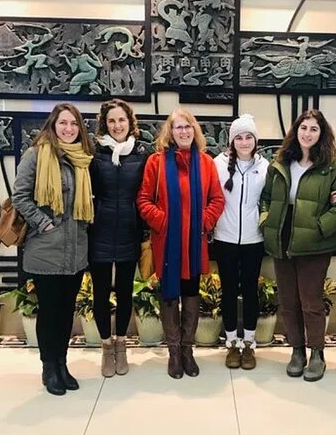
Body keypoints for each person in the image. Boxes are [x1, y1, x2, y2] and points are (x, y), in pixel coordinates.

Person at [260, 109, 336, 382]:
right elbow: (265, 197)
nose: (308, 133)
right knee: (288, 301)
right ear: (296, 131)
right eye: (304, 128)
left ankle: (317, 353)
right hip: (282, 240)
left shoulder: (333, 166)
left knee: (311, 301)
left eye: (314, 129)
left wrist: (321, 227)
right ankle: (297, 351)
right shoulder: (281, 162)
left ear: (321, 134)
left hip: (315, 244)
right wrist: (266, 220)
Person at [12, 103, 94, 396]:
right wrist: (42, 222)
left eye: (74, 124)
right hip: (46, 248)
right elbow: (20, 196)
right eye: (63, 123)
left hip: (75, 249)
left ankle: (62, 364)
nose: (69, 129)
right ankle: (49, 367)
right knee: (49, 311)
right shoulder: (36, 155)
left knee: (66, 311)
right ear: (53, 125)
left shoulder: (82, 158)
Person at [136, 108, 224, 379]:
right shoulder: (156, 162)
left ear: (194, 131)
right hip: (167, 244)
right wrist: (163, 222)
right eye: (178, 127)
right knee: (170, 295)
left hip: (194, 244)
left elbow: (217, 199)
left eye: (188, 127)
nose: (183, 132)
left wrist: (202, 221)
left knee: (191, 292)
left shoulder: (206, 163)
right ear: (170, 132)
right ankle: (174, 352)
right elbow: (143, 200)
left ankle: (187, 350)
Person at [89, 99, 146, 378]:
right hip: (99, 231)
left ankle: (121, 345)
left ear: (129, 122)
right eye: (111, 120)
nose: (117, 125)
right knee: (100, 294)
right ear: (105, 124)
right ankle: (106, 347)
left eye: (121, 119)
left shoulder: (141, 154)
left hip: (128, 231)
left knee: (124, 293)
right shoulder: (94, 154)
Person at [213, 114, 269, 370]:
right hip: (224, 238)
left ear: (255, 140)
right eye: (239, 137)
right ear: (231, 141)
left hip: (253, 240)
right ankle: (231, 344)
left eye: (249, 137)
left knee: (249, 291)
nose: (244, 142)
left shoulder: (265, 167)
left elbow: (270, 199)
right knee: (228, 291)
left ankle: (248, 344)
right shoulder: (218, 164)